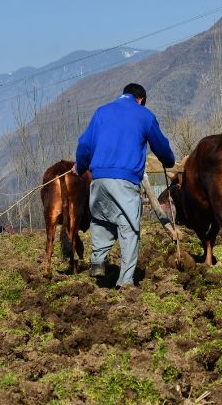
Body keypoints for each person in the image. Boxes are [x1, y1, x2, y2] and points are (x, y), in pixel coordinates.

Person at [72, 83, 175, 289]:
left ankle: (98, 261)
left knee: (101, 219)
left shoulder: (101, 112)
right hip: (125, 179)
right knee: (129, 228)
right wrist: (168, 160)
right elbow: (162, 147)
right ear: (141, 100)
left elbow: (84, 144)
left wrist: (81, 166)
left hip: (99, 177)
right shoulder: (144, 115)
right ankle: (125, 282)